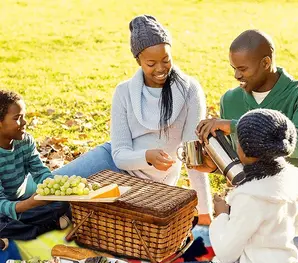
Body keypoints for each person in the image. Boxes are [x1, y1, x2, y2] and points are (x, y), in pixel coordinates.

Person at [51, 15, 212, 222]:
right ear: (138, 61)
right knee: (49, 190)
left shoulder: (190, 90)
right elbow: (119, 154)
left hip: (149, 186)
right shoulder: (124, 92)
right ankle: (10, 217)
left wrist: (205, 212)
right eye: (151, 63)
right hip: (112, 162)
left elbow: (193, 156)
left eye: (166, 60)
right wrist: (146, 156)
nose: (161, 69)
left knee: (75, 211)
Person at [166, 108, 298, 263]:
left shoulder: (251, 196)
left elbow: (226, 252)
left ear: (244, 150)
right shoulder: (292, 177)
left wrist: (222, 215)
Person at [196, 29, 298, 170]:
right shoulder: (230, 100)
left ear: (265, 63)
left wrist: (235, 127)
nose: (237, 75)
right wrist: (215, 166)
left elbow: (296, 144)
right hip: (250, 189)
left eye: (242, 69)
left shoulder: (296, 95)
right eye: (234, 68)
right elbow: (238, 161)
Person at [0, 90, 70, 241]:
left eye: (24, 116)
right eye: (17, 118)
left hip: (21, 201)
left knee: (64, 203)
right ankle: (44, 226)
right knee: (2, 223)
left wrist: (53, 189)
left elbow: (40, 172)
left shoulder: (25, 141)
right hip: (4, 207)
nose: (24, 122)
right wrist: (28, 205)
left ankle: (20, 228)